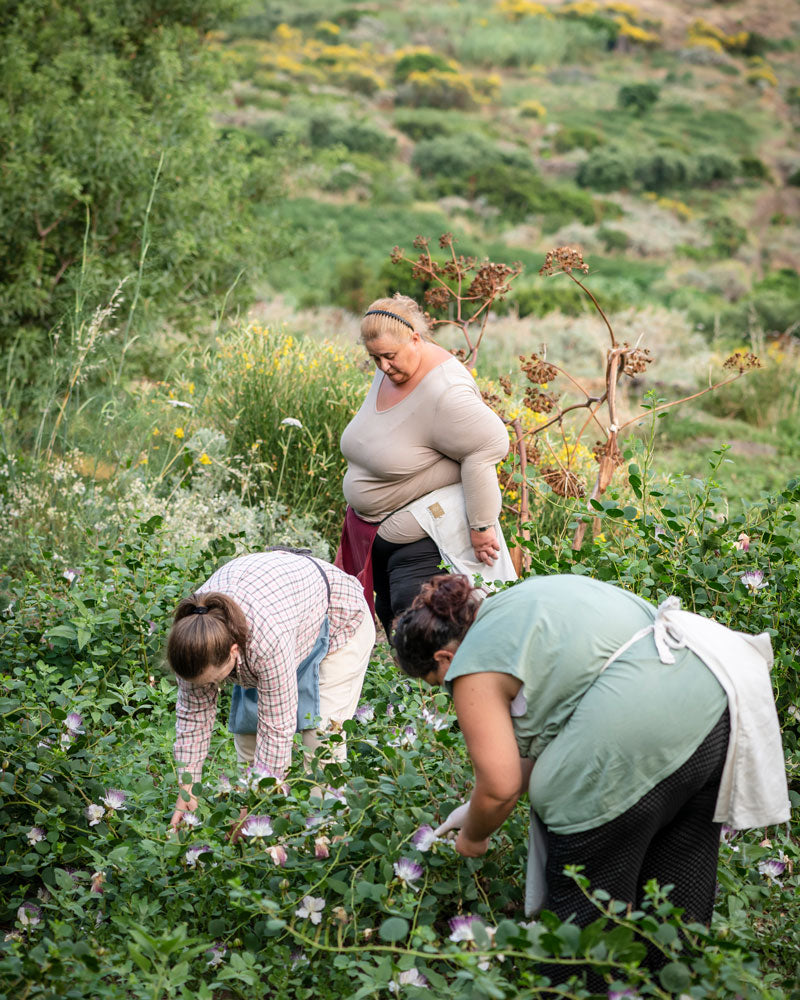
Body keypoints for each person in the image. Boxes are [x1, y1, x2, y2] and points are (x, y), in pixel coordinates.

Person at [392, 573, 790, 980]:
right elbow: (546, 738)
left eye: (436, 683)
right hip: (715, 703)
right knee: (673, 907)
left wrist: (474, 836)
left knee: (586, 919)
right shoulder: (518, 604)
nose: (447, 689)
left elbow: (500, 787)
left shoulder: (471, 661)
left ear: (442, 659)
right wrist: (470, 809)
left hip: (635, 735)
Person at [338, 293, 516, 638]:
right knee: (392, 623)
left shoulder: (445, 392)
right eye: (375, 358)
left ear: (415, 339)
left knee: (418, 632)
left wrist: (481, 529)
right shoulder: (395, 370)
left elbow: (491, 443)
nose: (383, 367)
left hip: (420, 544)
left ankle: (430, 693)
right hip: (375, 535)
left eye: (389, 357)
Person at [166, 550, 374, 828]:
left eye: (215, 682)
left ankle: (323, 831)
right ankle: (267, 830)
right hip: (283, 615)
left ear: (234, 652)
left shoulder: (265, 642)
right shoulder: (191, 641)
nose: (210, 691)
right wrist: (187, 787)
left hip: (338, 616)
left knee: (321, 737)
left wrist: (259, 801)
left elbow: (277, 727)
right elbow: (193, 717)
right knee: (249, 737)